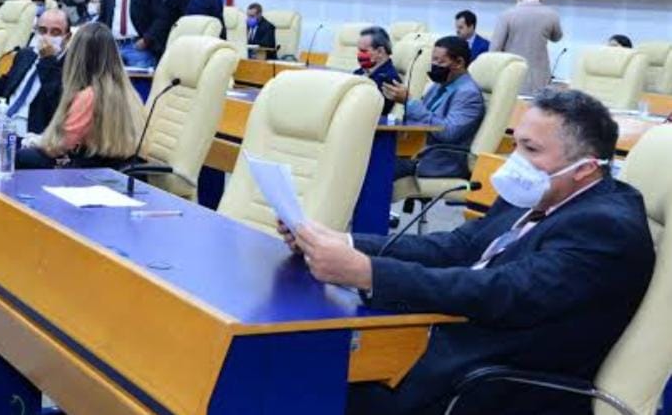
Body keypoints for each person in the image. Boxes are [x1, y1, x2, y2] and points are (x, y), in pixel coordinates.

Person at [280, 89, 654, 415]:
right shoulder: (540, 190)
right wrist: (344, 243)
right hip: (447, 339)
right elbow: (456, 247)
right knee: (303, 362)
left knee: (311, 382)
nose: (515, 160)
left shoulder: (607, 228)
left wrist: (368, 273)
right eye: (515, 143)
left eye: (531, 149)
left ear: (585, 169)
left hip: (494, 377)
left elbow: (501, 290)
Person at [17, 22, 144, 169]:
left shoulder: (88, 96)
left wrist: (34, 142)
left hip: (88, 172)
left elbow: (59, 147)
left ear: (78, 56)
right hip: (114, 168)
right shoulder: (131, 93)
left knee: (23, 156)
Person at [383, 36, 485, 180]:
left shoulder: (468, 94)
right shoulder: (441, 84)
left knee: (378, 169)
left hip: (440, 161)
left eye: (440, 61)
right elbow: (422, 118)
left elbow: (448, 132)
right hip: (417, 150)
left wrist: (410, 102)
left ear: (459, 62)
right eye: (433, 60)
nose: (434, 65)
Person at [0, 8, 68, 135]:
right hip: (2, 120)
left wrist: (48, 61)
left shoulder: (70, 66)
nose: (47, 37)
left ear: (67, 37)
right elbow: (2, 83)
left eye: (55, 32)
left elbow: (56, 103)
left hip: (30, 132)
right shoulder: (26, 54)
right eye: (42, 30)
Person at [491, 0, 563, 95]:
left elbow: (494, 49)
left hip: (512, 76)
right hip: (540, 78)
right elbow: (557, 37)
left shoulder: (507, 15)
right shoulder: (551, 14)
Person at [354, 26, 400, 116]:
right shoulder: (358, 72)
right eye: (359, 50)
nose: (359, 55)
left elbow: (372, 110)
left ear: (380, 51)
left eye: (363, 51)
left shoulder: (389, 80)